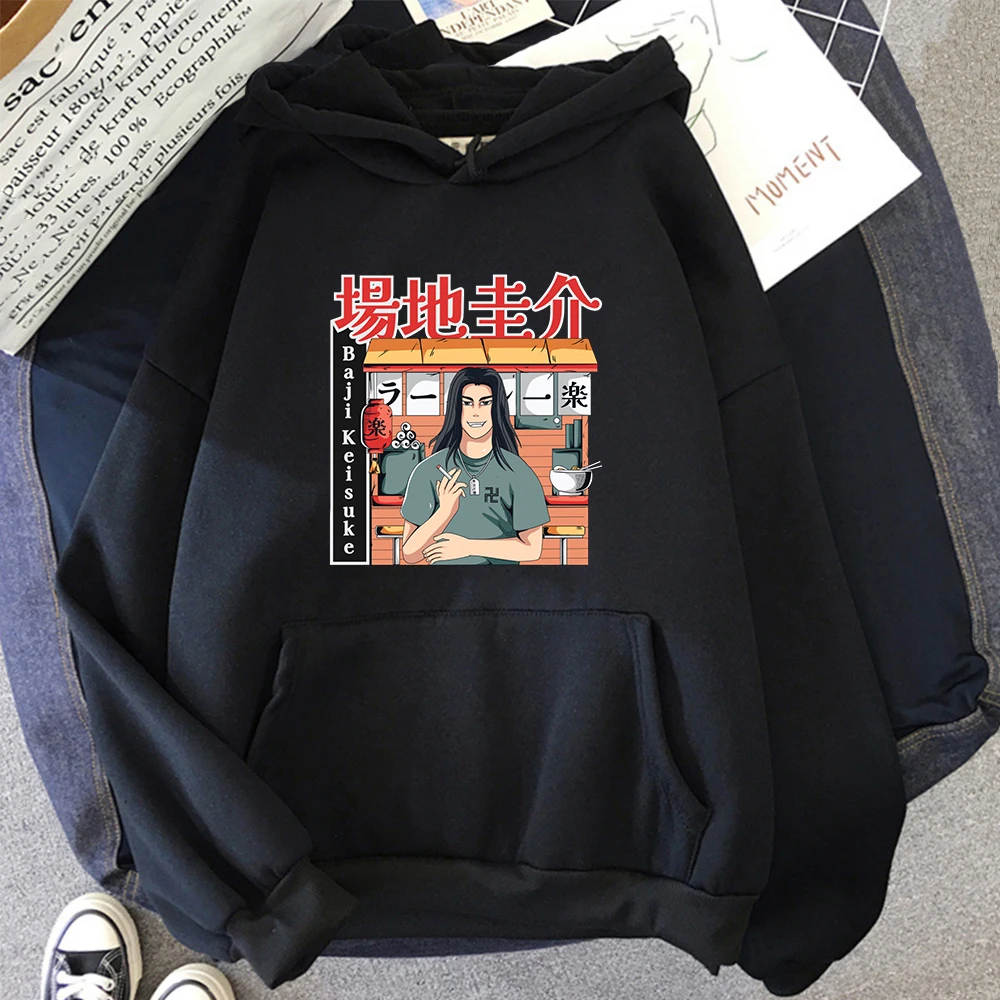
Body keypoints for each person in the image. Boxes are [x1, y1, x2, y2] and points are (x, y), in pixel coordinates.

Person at [400, 367, 549, 565]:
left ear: (497, 408)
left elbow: (532, 549)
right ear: (456, 408)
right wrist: (444, 512)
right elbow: (410, 554)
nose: (476, 413)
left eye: (485, 403)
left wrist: (468, 547)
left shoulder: (519, 472)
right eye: (467, 403)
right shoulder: (428, 470)